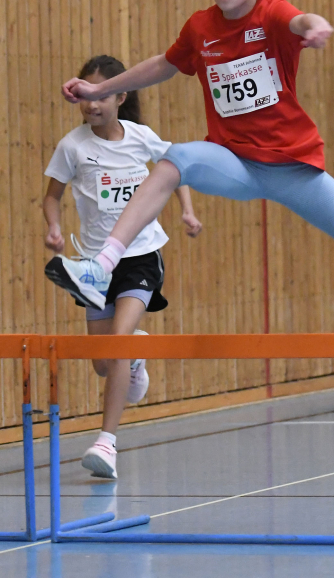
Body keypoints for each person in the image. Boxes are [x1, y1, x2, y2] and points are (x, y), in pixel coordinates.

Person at [46, 0, 334, 312]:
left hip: (294, 168)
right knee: (173, 162)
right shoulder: (201, 27)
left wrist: (314, 25)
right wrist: (98, 90)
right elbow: (164, 65)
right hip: (236, 163)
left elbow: (299, 20)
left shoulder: (272, 13)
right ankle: (100, 268)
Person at [44, 55, 203, 479]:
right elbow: (52, 196)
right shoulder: (72, 146)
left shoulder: (141, 138)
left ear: (121, 95)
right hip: (94, 265)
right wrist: (55, 228)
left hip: (140, 256)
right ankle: (135, 359)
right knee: (103, 361)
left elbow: (178, 172)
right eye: (86, 97)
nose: (92, 105)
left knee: (115, 346)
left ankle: (106, 442)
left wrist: (187, 212)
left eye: (102, 95)